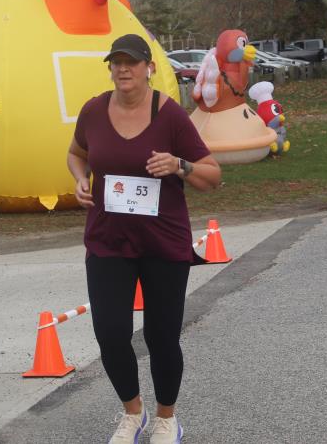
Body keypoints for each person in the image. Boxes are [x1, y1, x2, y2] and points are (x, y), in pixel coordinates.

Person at [67, 33, 222, 444]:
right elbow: (76, 153)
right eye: (116, 62)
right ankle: (133, 413)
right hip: (108, 240)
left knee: (161, 336)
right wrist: (80, 179)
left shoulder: (169, 115)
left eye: (131, 62)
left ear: (148, 67)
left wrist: (179, 165)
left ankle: (167, 419)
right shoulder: (94, 111)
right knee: (110, 333)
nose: (123, 69)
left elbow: (212, 175)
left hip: (162, 243)